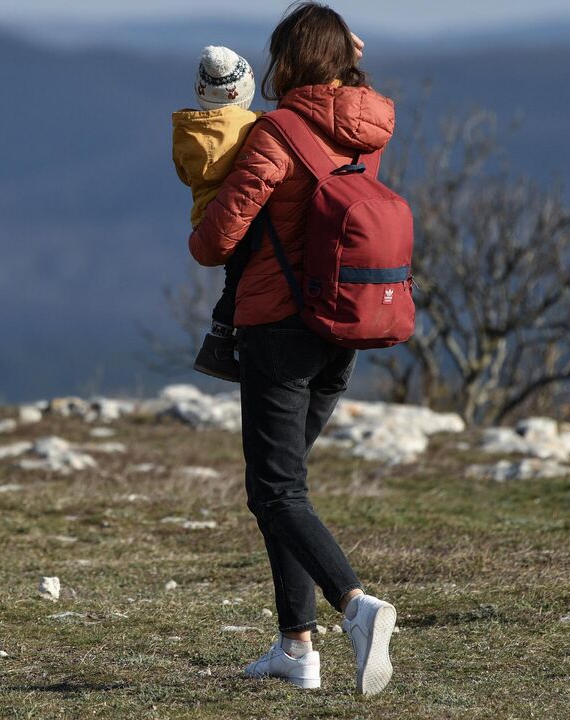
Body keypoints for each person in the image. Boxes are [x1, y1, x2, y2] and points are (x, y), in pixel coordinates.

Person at [187, 2, 398, 695]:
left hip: (280, 331)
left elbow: (214, 242)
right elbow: (343, 102)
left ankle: (355, 606)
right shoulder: (369, 130)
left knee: (276, 490)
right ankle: (296, 647)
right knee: (281, 491)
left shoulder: (275, 135)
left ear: (286, 62)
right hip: (343, 328)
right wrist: (347, 61)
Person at [171, 45, 261, 382]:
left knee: (233, 278)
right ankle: (219, 345)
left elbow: (184, 175)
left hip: (205, 220)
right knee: (241, 280)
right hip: (240, 218)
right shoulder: (254, 126)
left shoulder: (185, 131)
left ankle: (221, 341)